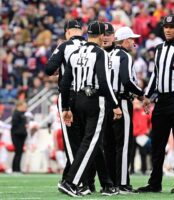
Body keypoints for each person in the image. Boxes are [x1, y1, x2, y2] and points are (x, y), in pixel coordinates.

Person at [59, 21, 122, 197]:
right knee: (91, 142)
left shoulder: (75, 53)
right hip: (94, 100)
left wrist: (66, 107)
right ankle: (71, 182)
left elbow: (64, 82)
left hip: (77, 100)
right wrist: (115, 105)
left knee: (94, 143)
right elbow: (104, 81)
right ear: (102, 36)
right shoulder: (100, 53)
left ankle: (107, 185)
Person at [138, 15, 174, 193]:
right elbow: (155, 74)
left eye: (172, 26)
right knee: (157, 144)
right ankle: (155, 183)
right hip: (161, 101)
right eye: (165, 27)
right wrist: (147, 96)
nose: (168, 29)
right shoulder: (159, 48)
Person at [44, 20, 93, 194]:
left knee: (72, 142)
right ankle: (84, 180)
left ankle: (76, 182)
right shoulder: (90, 45)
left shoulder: (64, 46)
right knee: (86, 140)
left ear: (67, 32)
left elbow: (49, 69)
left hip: (68, 95)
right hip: (88, 97)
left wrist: (59, 69)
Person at [104, 26, 144, 194]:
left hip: (107, 102)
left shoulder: (107, 55)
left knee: (110, 145)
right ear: (125, 40)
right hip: (122, 102)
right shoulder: (124, 56)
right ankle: (122, 183)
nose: (133, 43)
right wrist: (141, 94)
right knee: (124, 145)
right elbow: (127, 81)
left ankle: (110, 183)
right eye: (131, 40)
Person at [11, 101, 28, 172]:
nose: (25, 108)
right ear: (19, 106)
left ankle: (17, 169)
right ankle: (15, 169)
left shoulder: (23, 114)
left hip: (21, 135)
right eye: (24, 106)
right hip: (17, 135)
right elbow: (15, 124)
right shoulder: (16, 114)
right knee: (17, 152)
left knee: (19, 152)